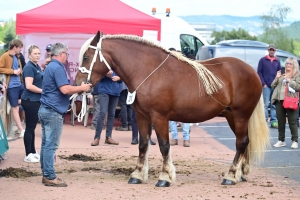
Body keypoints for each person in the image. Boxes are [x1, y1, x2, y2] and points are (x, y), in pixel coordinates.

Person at [38, 42, 91, 187]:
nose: (67, 57)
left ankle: (46, 173)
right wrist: (82, 88)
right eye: (67, 55)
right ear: (61, 54)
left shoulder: (50, 66)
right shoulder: (58, 67)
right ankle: (49, 175)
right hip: (53, 111)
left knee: (45, 144)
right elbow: (65, 89)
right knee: (51, 144)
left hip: (45, 109)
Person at [271, 57, 300, 149]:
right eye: (287, 63)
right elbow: (272, 86)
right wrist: (276, 78)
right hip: (279, 100)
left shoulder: (297, 75)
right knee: (281, 121)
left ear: (294, 65)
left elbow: (298, 87)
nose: (288, 65)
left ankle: (295, 141)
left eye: (290, 63)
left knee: (292, 121)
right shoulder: (282, 74)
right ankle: (281, 140)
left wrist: (290, 81)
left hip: (291, 100)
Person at [21, 45, 43, 163]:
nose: (37, 55)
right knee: (29, 128)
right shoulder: (29, 67)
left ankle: (33, 151)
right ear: (29, 55)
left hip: (36, 100)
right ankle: (28, 154)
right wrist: (43, 91)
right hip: (30, 100)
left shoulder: (37, 66)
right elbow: (29, 86)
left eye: (39, 53)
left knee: (32, 127)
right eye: (35, 53)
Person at [0, 39, 25, 137]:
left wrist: (19, 72)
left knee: (28, 99)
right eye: (20, 48)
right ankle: (21, 130)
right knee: (15, 108)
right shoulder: (5, 56)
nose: (20, 50)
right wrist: (12, 71)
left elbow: (20, 68)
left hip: (19, 84)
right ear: (15, 47)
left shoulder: (17, 57)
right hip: (11, 85)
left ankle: (21, 125)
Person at [91, 70, 121, 146]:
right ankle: (97, 138)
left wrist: (119, 78)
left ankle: (108, 137)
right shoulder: (104, 63)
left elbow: (125, 76)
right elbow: (96, 75)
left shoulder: (118, 63)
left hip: (116, 91)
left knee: (111, 114)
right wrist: (104, 74)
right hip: (104, 91)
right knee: (102, 113)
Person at [257, 44, 281, 128]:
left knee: (273, 104)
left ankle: (274, 121)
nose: (271, 51)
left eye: (273, 50)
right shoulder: (262, 60)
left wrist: (277, 84)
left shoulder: (277, 61)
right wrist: (263, 84)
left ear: (275, 51)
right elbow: (259, 72)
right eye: (270, 49)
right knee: (265, 105)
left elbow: (279, 73)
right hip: (266, 86)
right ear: (268, 50)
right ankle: (264, 121)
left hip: (274, 86)